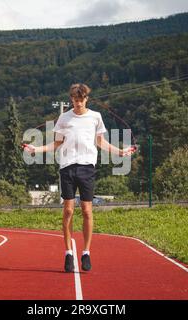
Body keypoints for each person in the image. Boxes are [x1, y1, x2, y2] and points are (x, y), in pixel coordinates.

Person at [23, 83, 137, 272]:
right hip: (67, 167)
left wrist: (120, 152)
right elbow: (57, 143)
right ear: (72, 99)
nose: (77, 103)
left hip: (87, 168)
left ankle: (86, 252)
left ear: (86, 99)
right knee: (68, 211)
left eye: (81, 100)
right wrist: (37, 149)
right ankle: (68, 253)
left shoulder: (95, 117)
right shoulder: (64, 118)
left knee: (86, 210)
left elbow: (101, 143)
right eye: (75, 100)